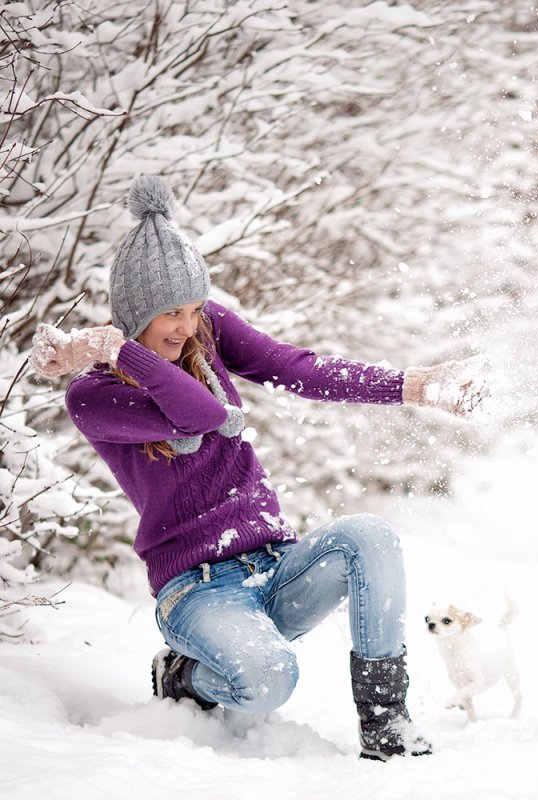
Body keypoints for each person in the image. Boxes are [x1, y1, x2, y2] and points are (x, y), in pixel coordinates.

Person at [30, 176, 486, 761]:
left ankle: (385, 724)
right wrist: (120, 352)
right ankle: (183, 677)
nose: (189, 327)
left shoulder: (208, 332)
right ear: (133, 315)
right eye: (171, 312)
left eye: (196, 309)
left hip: (273, 567)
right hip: (195, 590)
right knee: (269, 683)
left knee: (369, 538)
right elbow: (197, 415)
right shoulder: (93, 396)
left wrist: (412, 386)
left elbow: (297, 368)